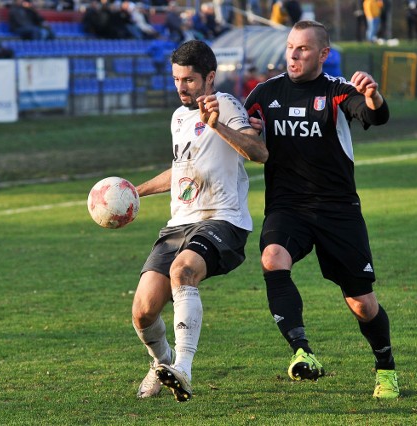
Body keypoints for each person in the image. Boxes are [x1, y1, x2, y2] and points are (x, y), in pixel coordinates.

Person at [243, 20, 399, 399]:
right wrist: (244, 129)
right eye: (291, 47)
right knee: (272, 258)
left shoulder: (337, 91)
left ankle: (386, 370)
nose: (294, 55)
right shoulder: (266, 93)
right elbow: (243, 131)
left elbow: (374, 116)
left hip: (338, 209)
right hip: (287, 206)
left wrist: (374, 95)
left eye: (304, 49)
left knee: (362, 303)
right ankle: (302, 351)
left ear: (323, 54)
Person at [131, 40, 268, 402]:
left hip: (223, 220)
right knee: (143, 312)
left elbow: (258, 152)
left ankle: (184, 369)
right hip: (179, 224)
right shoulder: (178, 117)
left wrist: (218, 125)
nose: (181, 87)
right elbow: (181, 171)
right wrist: (135, 192)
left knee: (183, 271)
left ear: (210, 77)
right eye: (176, 79)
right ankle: (163, 363)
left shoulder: (227, 105)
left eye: (189, 80)